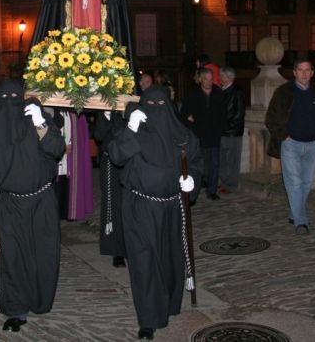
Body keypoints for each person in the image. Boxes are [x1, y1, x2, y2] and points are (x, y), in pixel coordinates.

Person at [107, 86, 202, 340]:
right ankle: (148, 318)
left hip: (172, 207)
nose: (156, 109)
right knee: (144, 262)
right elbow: (115, 155)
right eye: (150, 105)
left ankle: (170, 304)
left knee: (170, 260)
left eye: (161, 105)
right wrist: (131, 129)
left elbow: (195, 161)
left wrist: (192, 181)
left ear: (169, 108)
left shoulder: (182, 136)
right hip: (139, 207)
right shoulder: (132, 134)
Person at [0, 79, 65, 333]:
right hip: (10, 203)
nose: (10, 105)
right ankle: (16, 309)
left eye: (15, 98)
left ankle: (40, 299)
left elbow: (56, 149)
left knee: (42, 255)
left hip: (41, 201)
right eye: (4, 99)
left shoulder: (37, 124)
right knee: (13, 257)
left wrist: (41, 122)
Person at [265, 59, 315, 235]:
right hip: (291, 144)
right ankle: (301, 221)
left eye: (307, 70)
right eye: (300, 70)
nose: (304, 73)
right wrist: (284, 137)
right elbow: (271, 117)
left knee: (306, 182)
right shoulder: (283, 92)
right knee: (294, 182)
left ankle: (294, 212)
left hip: (311, 144)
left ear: (312, 72)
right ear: (294, 73)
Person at [181, 68, 225, 201]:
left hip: (213, 134)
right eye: (206, 79)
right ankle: (195, 188)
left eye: (211, 79)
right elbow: (184, 113)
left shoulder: (218, 92)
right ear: (200, 79)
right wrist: (190, 119)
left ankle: (212, 191)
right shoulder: (193, 94)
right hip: (198, 134)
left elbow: (223, 113)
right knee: (198, 164)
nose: (209, 82)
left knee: (214, 163)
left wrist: (220, 126)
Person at [94, 110, 126, 267]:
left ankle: (130, 245)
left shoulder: (130, 108)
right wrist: (107, 115)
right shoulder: (103, 114)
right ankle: (117, 250)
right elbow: (99, 135)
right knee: (113, 205)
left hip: (130, 160)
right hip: (111, 162)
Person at [219, 66, 245, 193]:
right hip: (222, 131)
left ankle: (231, 184)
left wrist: (228, 127)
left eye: (221, 76)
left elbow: (239, 114)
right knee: (223, 159)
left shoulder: (237, 92)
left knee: (232, 160)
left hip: (232, 133)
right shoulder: (222, 90)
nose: (219, 78)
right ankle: (224, 182)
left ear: (228, 77)